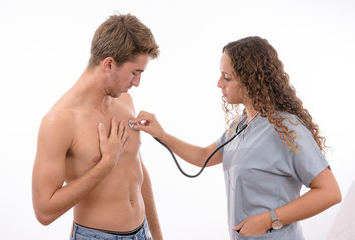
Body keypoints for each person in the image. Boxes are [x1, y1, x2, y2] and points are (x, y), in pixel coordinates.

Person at [130, 36, 342, 239]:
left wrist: (270, 219)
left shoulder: (286, 128)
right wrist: (162, 134)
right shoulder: (241, 125)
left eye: (227, 77)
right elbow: (204, 156)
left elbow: (330, 192)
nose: (219, 83)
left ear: (250, 79)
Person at [32, 13, 163, 240]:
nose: (137, 83)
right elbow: (44, 211)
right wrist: (105, 165)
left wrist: (157, 235)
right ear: (109, 64)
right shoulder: (59, 121)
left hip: (143, 233)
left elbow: (137, 170)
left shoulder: (124, 100)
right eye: (135, 72)